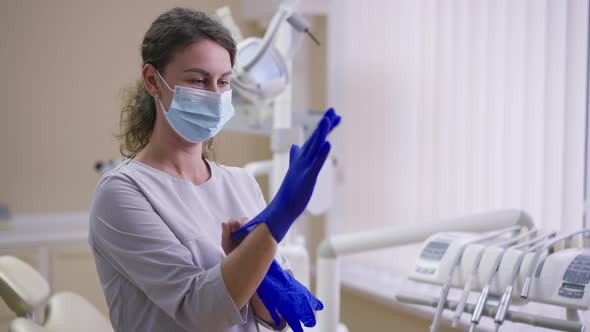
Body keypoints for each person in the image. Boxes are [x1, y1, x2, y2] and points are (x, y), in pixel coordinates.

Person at [88, 7, 340, 332]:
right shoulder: (123, 193)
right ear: (153, 80)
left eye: (223, 82)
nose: (215, 95)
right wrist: (278, 218)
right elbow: (199, 313)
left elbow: (277, 317)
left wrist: (251, 259)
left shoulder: (241, 182)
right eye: (198, 80)